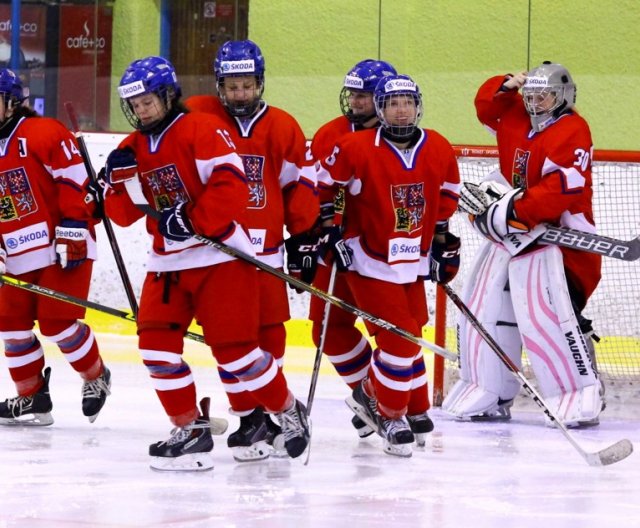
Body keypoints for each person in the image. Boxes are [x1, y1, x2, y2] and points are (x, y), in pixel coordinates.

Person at [102, 56, 310, 471]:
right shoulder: (133, 147)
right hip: (168, 262)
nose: (141, 111)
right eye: (135, 105)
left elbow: (233, 184)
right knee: (155, 347)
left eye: (147, 102)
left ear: (167, 96)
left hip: (220, 257)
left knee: (236, 355)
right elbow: (123, 214)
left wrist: (194, 220)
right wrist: (113, 184)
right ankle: (190, 430)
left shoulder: (201, 128)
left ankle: (287, 409)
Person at [442, 62, 604, 427]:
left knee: (551, 312)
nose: (533, 102)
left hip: (563, 242)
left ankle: (579, 392)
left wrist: (513, 211)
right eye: (528, 95)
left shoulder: (573, 129)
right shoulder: (515, 115)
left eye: (542, 95)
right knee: (487, 308)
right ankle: (486, 388)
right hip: (513, 235)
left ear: (562, 96)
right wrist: (503, 84)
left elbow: (562, 190)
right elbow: (486, 106)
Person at [185, 40, 319, 462]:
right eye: (232, 86)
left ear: (260, 83)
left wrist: (302, 237)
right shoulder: (200, 116)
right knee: (229, 337)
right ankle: (248, 416)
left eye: (248, 85)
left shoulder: (282, 125)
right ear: (218, 85)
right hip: (215, 251)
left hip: (265, 251)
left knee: (269, 334)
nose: (240, 94)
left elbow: (300, 184)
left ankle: (269, 409)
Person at [319, 74, 461, 456]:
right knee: (399, 340)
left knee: (414, 331)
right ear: (380, 109)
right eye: (393, 103)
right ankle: (389, 411)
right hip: (368, 259)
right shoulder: (354, 146)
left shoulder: (439, 146)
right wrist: (331, 232)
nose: (401, 110)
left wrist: (444, 247)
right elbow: (326, 189)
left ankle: (391, 399)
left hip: (412, 257)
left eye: (408, 102)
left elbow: (446, 202)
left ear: (418, 105)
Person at [0, 68, 111, 426]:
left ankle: (96, 376)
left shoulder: (42, 131)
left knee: (57, 322)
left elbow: (73, 179)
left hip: (61, 244)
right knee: (9, 321)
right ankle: (31, 397)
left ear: (12, 102)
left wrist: (75, 226)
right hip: (16, 251)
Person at [310, 59, 397, 440]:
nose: (356, 102)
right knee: (327, 330)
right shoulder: (330, 132)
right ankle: (369, 397)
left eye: (364, 95)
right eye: (353, 94)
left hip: (381, 251)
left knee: (395, 333)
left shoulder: (401, 136)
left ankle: (409, 408)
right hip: (335, 250)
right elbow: (313, 188)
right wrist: (316, 232)